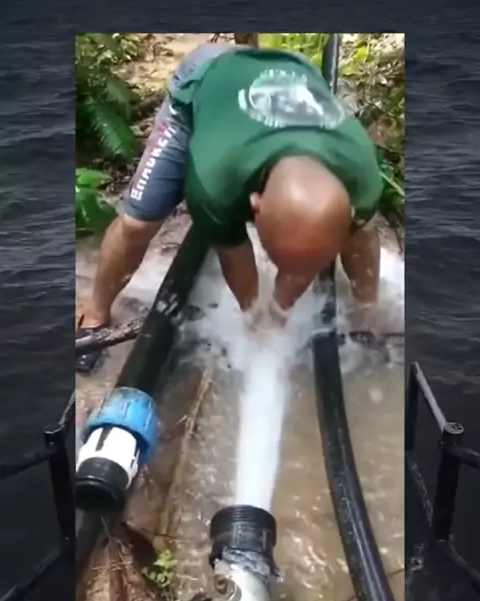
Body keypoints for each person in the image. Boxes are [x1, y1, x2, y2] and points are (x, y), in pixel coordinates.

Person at [76, 38, 383, 373]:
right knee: (138, 224)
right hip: (208, 76)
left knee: (362, 232)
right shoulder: (214, 181)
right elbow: (233, 253)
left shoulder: (362, 176)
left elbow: (318, 253)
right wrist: (256, 319)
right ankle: (95, 314)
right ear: (254, 205)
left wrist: (278, 314)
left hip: (293, 70)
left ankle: (367, 315)